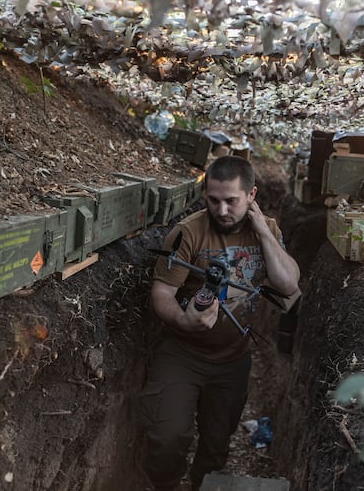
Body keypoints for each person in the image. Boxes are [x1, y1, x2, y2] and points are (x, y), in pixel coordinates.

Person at [140, 155, 300, 491]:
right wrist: (185, 320)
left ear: (252, 195)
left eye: (232, 201)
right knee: (167, 436)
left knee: (217, 443)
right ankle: (167, 484)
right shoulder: (188, 233)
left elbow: (287, 285)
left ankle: (203, 483)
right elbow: (162, 294)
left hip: (233, 359)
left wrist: (262, 233)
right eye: (213, 201)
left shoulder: (267, 229)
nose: (222, 211)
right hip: (182, 354)